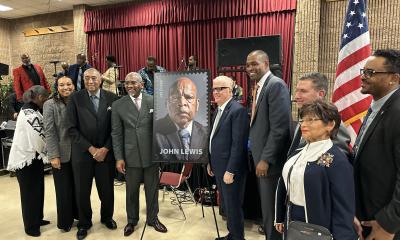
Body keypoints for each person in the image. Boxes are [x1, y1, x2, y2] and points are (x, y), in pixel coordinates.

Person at [274, 100, 356, 240]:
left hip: (318, 226)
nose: (304, 124)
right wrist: (279, 216)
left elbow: (343, 207)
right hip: (292, 220)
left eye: (311, 119)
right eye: (302, 119)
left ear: (330, 125)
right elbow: (283, 183)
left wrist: (343, 236)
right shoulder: (297, 153)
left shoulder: (336, 160)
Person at [111, 72, 167, 236]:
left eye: (133, 82)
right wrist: (119, 157)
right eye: (127, 83)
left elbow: (162, 126)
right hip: (130, 155)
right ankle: (132, 220)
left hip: (151, 154)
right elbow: (116, 133)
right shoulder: (118, 105)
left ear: (142, 84)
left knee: (152, 189)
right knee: (131, 191)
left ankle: (153, 218)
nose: (129, 86)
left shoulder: (153, 100)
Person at [353, 49, 400, 240]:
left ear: (394, 79)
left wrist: (388, 223)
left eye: (370, 73)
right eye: (363, 71)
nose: (363, 77)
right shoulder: (377, 106)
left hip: (386, 225)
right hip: (367, 214)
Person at [66, 68, 119, 240]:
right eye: (87, 78)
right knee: (82, 191)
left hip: (106, 153)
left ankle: (107, 218)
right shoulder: (75, 98)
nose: (90, 81)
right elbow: (71, 129)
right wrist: (91, 149)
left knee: (107, 190)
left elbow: (116, 129)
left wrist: (105, 149)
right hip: (82, 154)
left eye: (94, 78)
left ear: (101, 80)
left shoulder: (112, 98)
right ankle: (84, 223)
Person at [246, 50, 291, 240]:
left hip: (270, 164)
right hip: (260, 158)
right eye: (248, 65)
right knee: (267, 211)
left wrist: (265, 159)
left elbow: (279, 128)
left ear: (266, 63)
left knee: (273, 213)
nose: (250, 68)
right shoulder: (260, 87)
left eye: (254, 63)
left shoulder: (275, 86)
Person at [207, 76, 249, 240]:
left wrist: (230, 170)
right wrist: (210, 162)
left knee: (233, 205)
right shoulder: (218, 110)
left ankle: (238, 237)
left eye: (220, 89)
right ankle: (232, 234)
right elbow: (214, 139)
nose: (215, 92)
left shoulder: (237, 111)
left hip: (230, 170)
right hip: (218, 166)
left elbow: (238, 145)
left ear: (230, 91)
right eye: (214, 89)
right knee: (227, 205)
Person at [7, 85, 50, 237]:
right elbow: (38, 137)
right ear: (39, 98)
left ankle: (37, 218)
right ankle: (31, 226)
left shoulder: (31, 110)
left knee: (38, 190)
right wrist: (51, 153)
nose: (46, 101)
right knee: (29, 194)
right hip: (26, 160)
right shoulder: (28, 114)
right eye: (45, 98)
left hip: (34, 158)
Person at [43, 76, 78, 233]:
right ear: (57, 87)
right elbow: (49, 131)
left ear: (73, 85)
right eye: (62, 85)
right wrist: (53, 155)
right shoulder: (50, 104)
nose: (66, 87)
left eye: (69, 84)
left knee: (79, 188)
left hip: (79, 153)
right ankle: (65, 221)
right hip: (61, 153)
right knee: (63, 190)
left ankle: (79, 215)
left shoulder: (79, 101)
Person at [288, 72, 351, 157]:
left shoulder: (330, 121)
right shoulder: (303, 118)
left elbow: (338, 156)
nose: (296, 96)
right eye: (297, 91)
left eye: (303, 91)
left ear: (320, 94)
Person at [154, 77, 208, 163]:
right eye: (175, 97)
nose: (182, 103)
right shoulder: (154, 132)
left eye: (189, 97)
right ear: (167, 104)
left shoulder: (207, 133)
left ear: (197, 104)